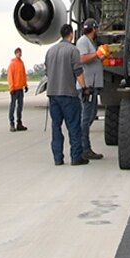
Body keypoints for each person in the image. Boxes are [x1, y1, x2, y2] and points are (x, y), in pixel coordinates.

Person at [42, 24, 87, 165]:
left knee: (56, 127)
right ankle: (76, 157)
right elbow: (78, 71)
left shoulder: (50, 51)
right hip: (68, 94)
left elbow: (47, 72)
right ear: (71, 34)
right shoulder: (73, 50)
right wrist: (85, 88)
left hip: (53, 95)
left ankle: (58, 158)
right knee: (74, 126)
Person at [76, 20, 106, 160]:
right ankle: (84, 148)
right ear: (94, 29)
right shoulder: (83, 42)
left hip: (92, 85)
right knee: (86, 117)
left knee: (91, 114)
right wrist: (97, 54)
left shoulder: (89, 41)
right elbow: (81, 59)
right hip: (87, 86)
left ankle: (82, 144)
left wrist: (102, 56)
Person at [7, 47, 27, 131]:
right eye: (18, 52)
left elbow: (23, 75)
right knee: (13, 106)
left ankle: (19, 123)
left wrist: (25, 85)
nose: (19, 54)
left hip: (20, 88)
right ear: (15, 53)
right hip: (14, 89)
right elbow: (10, 77)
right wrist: (11, 88)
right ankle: (12, 124)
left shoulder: (22, 64)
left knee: (20, 107)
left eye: (20, 52)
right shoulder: (12, 64)